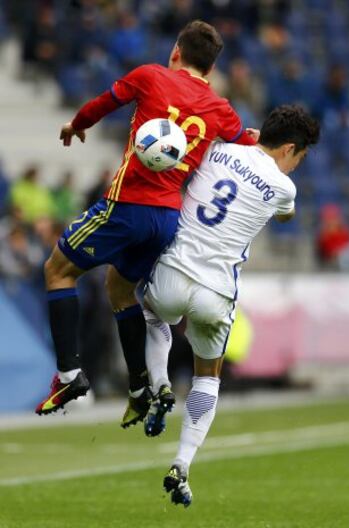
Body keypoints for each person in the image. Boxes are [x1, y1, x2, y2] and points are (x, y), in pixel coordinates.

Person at [35, 20, 259, 424]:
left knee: (57, 270)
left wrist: (77, 125)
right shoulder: (221, 109)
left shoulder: (151, 76)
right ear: (210, 69)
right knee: (119, 290)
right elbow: (245, 141)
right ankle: (139, 386)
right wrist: (255, 139)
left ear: (176, 51)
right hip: (168, 219)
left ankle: (68, 374)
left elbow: (102, 103)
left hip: (126, 205)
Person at [142, 105, 320, 506]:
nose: (297, 167)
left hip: (174, 267)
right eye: (300, 158)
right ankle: (182, 464)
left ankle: (161, 386)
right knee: (209, 377)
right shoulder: (284, 188)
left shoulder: (217, 148)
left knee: (153, 314)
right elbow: (286, 217)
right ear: (290, 148)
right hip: (216, 290)